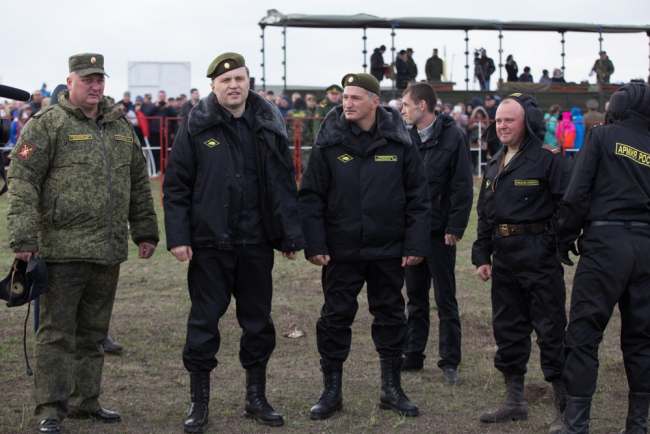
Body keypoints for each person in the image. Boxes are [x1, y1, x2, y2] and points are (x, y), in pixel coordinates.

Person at [7, 53, 159, 434]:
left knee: (93, 333)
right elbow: (22, 179)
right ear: (70, 81)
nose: (95, 86)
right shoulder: (47, 124)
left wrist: (145, 230)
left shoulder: (120, 126)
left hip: (107, 250)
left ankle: (85, 401)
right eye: (87, 79)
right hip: (61, 250)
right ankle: (50, 409)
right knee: (57, 334)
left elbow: (138, 182)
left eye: (99, 79)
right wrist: (23, 237)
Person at [163, 52, 305, 432]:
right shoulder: (196, 126)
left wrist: (289, 234)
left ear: (248, 82)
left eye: (239, 78)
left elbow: (283, 183)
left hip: (256, 244)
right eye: (225, 80)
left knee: (258, 323)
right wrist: (179, 237)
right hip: (210, 244)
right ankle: (199, 403)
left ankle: (256, 399)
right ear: (213, 86)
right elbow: (176, 186)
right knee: (204, 323)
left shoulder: (268, 124)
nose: (234, 85)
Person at [299, 73, 430, 420]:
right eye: (345, 97)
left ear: (375, 102)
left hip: (387, 249)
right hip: (341, 250)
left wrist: (415, 243)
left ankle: (391, 389)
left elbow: (418, 196)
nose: (347, 103)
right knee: (334, 319)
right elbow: (311, 196)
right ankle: (331, 391)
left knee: (391, 317)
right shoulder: (329, 141)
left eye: (356, 97)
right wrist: (315, 243)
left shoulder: (400, 141)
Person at [471, 93, 569, 433]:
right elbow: (485, 213)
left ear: (527, 122)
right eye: (498, 120)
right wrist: (482, 254)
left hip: (539, 258)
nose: (502, 126)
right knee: (509, 329)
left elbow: (567, 207)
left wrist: (550, 244)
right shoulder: (495, 162)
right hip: (504, 258)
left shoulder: (548, 159)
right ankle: (515, 401)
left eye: (509, 120)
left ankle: (566, 409)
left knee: (551, 331)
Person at [556, 83, 650, 434]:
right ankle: (637, 424)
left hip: (605, 245)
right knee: (642, 338)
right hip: (645, 247)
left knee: (584, 334)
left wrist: (564, 237)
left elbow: (576, 192)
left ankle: (576, 424)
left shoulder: (601, 136)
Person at [400, 83, 473, 383]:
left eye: (406, 104)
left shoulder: (454, 137)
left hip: (441, 233)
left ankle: (449, 361)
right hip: (413, 233)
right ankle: (413, 354)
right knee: (415, 296)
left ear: (422, 105)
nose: (402, 110)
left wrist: (455, 227)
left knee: (445, 299)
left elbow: (462, 185)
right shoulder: (405, 137)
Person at [143, 90, 177, 174]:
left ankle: (165, 170)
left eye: (163, 96)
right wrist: (155, 106)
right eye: (160, 96)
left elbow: (174, 116)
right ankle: (156, 170)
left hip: (166, 132)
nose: (162, 98)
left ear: (165, 97)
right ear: (158, 97)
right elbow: (146, 114)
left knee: (166, 152)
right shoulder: (153, 105)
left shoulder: (168, 106)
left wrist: (169, 107)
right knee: (155, 151)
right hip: (155, 132)